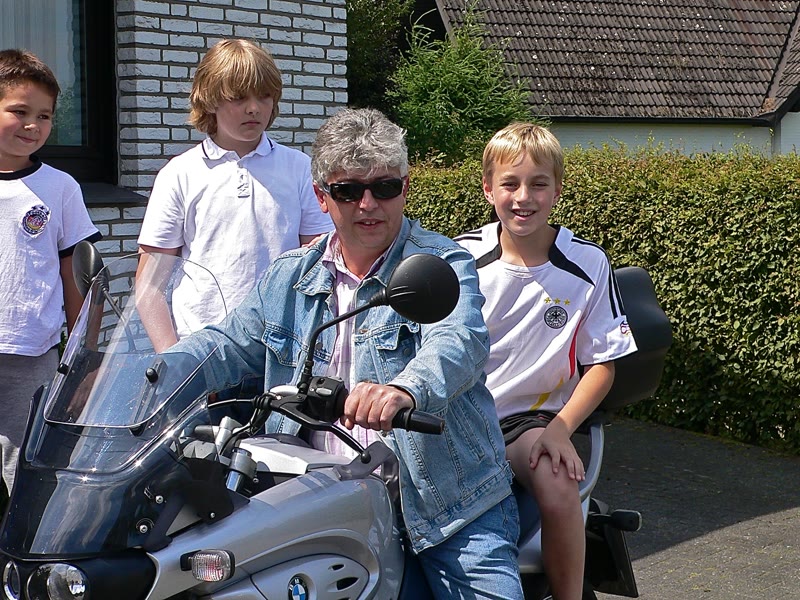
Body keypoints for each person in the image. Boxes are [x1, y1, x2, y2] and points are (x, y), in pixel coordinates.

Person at [173, 108, 523, 598]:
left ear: (405, 187)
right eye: (348, 190)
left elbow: (458, 340)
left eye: (384, 187)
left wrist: (404, 390)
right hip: (318, 501)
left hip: (444, 504)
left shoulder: (440, 263)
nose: (368, 204)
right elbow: (225, 344)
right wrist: (148, 375)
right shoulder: (290, 276)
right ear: (322, 197)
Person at [455, 123, 637, 600]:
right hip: (460, 420)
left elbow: (602, 364)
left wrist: (560, 429)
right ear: (487, 188)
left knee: (559, 487)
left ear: (557, 189)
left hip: (529, 422)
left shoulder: (588, 263)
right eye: (510, 183)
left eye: (538, 184)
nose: (523, 197)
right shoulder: (460, 257)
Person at [136, 39, 332, 352]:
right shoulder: (179, 174)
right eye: (239, 97)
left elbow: (321, 262)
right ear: (209, 99)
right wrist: (174, 360)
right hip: (202, 350)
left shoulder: (300, 169)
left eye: (264, 95)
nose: (254, 108)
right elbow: (149, 287)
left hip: (282, 349)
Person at [0, 48, 101, 489]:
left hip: (32, 355)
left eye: (43, 116)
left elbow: (78, 278)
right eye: (19, 111)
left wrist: (86, 357)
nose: (32, 125)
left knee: (29, 472)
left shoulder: (59, 187)